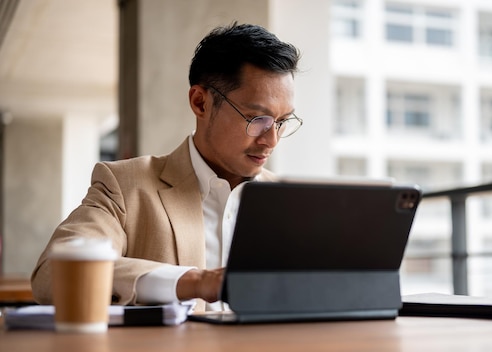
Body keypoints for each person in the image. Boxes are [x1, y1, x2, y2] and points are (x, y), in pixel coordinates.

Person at [31, 23, 302, 311]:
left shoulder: (291, 203)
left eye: (282, 122)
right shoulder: (124, 186)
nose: (271, 140)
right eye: (257, 119)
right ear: (200, 103)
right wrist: (196, 282)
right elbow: (53, 272)